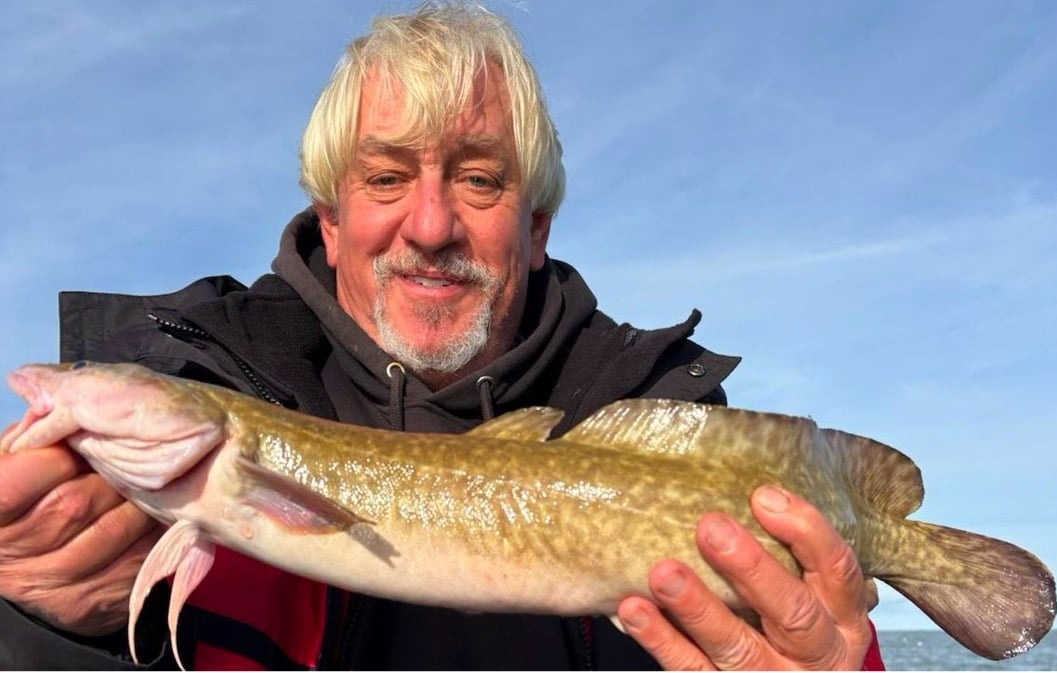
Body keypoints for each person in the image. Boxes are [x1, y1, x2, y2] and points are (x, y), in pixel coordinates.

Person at [0, 2, 884, 670]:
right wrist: (38, 624)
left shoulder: (672, 415)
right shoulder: (164, 424)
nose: (430, 225)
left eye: (479, 179)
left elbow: (833, 623)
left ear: (536, 230)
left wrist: (842, 660)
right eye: (386, 177)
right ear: (332, 221)